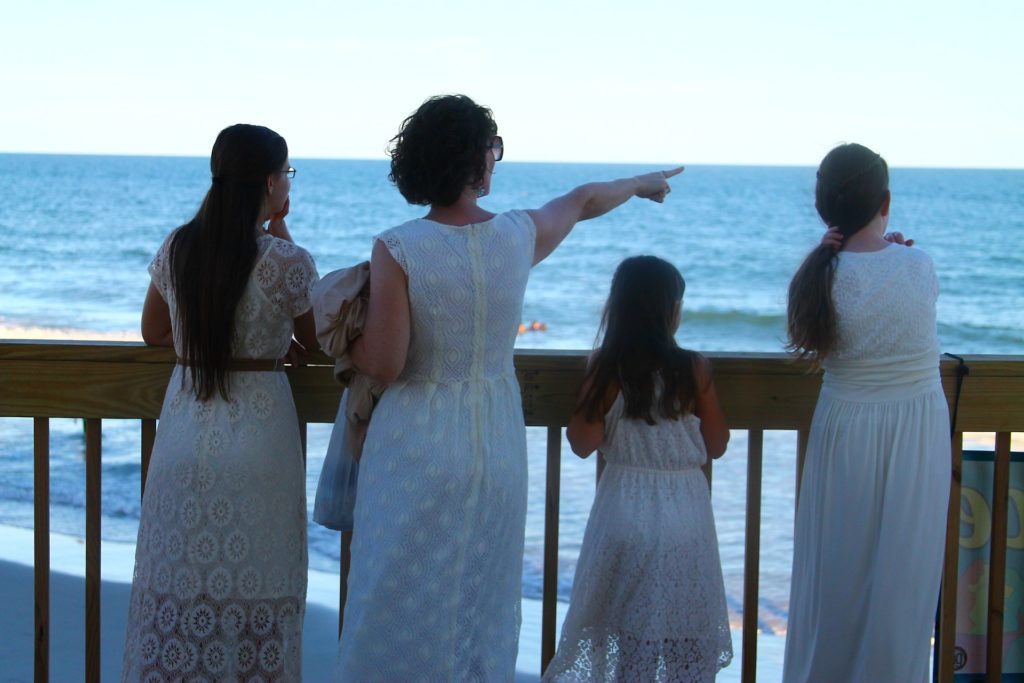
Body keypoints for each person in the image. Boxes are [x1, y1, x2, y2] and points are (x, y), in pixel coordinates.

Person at [334, 94, 682, 681]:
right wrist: (642, 182)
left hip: (414, 441)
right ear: (476, 160)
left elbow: (387, 363)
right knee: (479, 601)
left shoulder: (398, 246)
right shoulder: (517, 237)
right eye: (493, 148)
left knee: (393, 594)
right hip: (494, 441)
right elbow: (582, 200)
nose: (496, 159)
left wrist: (341, 339)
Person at [122, 124, 319, 681]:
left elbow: (153, 333)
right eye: (288, 174)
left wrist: (201, 342)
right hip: (261, 442)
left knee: (181, 592)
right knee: (260, 601)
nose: (289, 182)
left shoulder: (180, 247)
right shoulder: (288, 262)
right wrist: (281, 228)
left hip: (186, 433)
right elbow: (317, 341)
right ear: (269, 180)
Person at [782, 143, 950, 682]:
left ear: (822, 206)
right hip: (917, 432)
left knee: (836, 574)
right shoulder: (918, 266)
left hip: (845, 428)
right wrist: (893, 253)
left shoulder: (819, 278)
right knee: (904, 579)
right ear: (886, 201)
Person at [542, 255, 732, 682]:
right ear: (671, 310)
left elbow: (581, 443)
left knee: (632, 644)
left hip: (623, 509)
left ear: (619, 309)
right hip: (685, 516)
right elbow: (716, 445)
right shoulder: (694, 368)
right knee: (687, 638)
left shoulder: (606, 368)